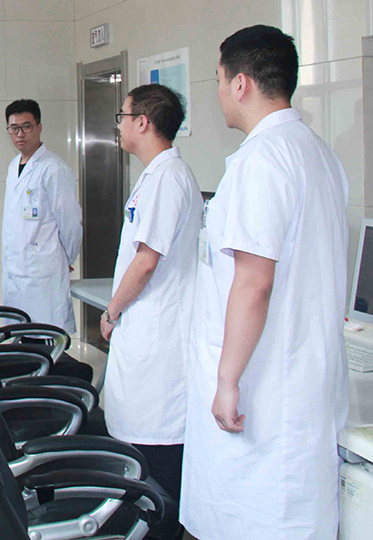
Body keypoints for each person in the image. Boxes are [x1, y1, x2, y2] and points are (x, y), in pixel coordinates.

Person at [180, 25, 349, 540]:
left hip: (264, 393)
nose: (218, 92)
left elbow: (255, 281)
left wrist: (228, 380)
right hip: (301, 382)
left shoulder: (262, 159)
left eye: (218, 79)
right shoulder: (318, 154)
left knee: (255, 517)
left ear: (241, 84)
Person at [100, 84, 201, 538]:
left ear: (142, 122)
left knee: (157, 459)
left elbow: (145, 261)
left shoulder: (168, 178)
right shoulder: (157, 175)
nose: (119, 126)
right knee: (140, 448)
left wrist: (111, 312)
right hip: (146, 332)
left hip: (158, 342)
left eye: (122, 117)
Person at [2, 99, 82, 335]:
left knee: (45, 337)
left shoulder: (54, 169)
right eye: (14, 128)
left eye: (26, 126)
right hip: (16, 270)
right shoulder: (13, 166)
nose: (20, 134)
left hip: (43, 272)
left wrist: (66, 257)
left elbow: (70, 222)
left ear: (39, 127)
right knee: (21, 335)